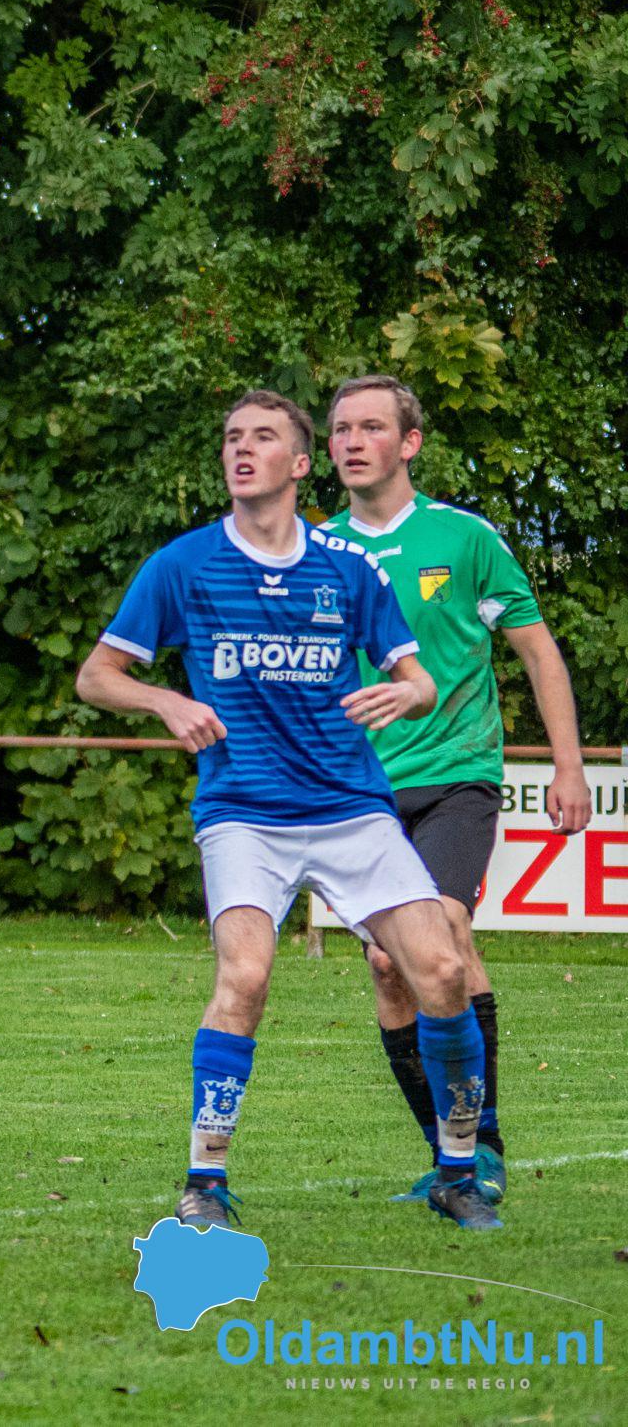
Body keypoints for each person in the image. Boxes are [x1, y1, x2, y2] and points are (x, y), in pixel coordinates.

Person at [75, 389, 501, 1233]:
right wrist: (165, 700)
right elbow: (97, 675)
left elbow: (418, 680)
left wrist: (405, 695)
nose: (242, 449)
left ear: (300, 464)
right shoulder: (184, 565)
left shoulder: (347, 570)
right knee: (245, 976)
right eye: (232, 437)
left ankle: (459, 1170)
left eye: (263, 437)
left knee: (443, 970)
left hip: (351, 809)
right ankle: (205, 1182)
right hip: (243, 813)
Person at [321, 374, 592, 1207]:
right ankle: (450, 1156)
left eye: (372, 427)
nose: (352, 441)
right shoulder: (315, 551)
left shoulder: (465, 538)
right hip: (359, 793)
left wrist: (568, 766)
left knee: (441, 935)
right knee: (386, 966)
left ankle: (485, 1150)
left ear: (409, 443)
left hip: (455, 777)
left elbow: (538, 653)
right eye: (340, 428)